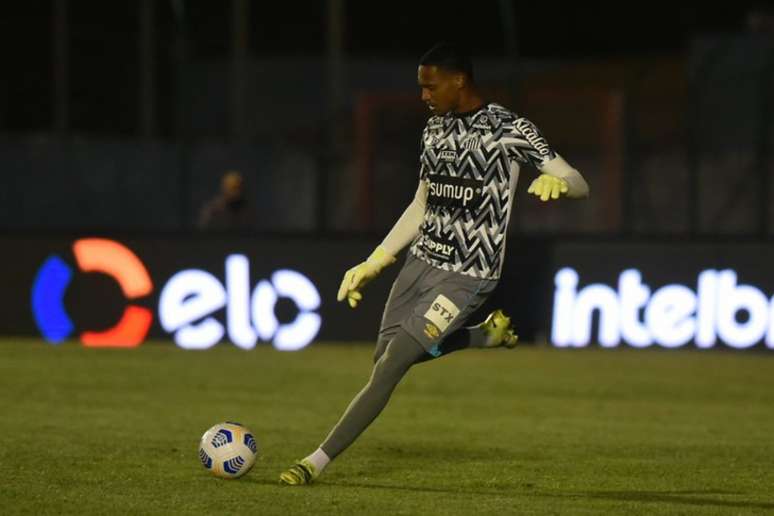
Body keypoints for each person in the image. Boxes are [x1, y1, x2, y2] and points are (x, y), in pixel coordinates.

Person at [279, 42, 590, 485]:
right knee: (383, 357)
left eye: (430, 85)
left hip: (468, 274)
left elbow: (578, 180)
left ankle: (314, 461)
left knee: (391, 367)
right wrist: (377, 260)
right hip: (420, 263)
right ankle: (481, 337)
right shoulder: (434, 130)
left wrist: (555, 182)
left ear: (458, 79)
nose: (424, 95)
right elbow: (422, 203)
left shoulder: (508, 128)